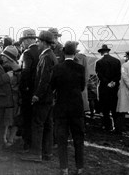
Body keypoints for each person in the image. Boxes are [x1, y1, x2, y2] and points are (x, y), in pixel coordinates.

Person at [20, 30, 57, 163]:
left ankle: (35, 153)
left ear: (44, 42)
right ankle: (47, 153)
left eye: (39, 41)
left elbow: (44, 79)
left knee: (37, 125)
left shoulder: (46, 57)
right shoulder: (51, 55)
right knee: (47, 125)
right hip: (48, 98)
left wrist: (36, 95)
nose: (38, 43)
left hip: (42, 98)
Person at [51, 41, 86, 175]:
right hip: (77, 108)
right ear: (74, 53)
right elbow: (82, 87)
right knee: (78, 138)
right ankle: (79, 167)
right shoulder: (80, 68)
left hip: (61, 108)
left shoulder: (57, 68)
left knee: (62, 139)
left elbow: (52, 86)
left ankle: (64, 168)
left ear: (63, 52)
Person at [19, 28, 39, 150]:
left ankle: (27, 143)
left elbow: (25, 72)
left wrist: (23, 88)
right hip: (39, 91)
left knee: (27, 118)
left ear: (28, 40)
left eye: (23, 40)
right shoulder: (42, 51)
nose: (22, 43)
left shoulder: (27, 53)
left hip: (28, 91)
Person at [95, 44, 121, 133]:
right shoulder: (117, 61)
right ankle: (117, 127)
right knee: (114, 108)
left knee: (105, 108)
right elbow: (118, 75)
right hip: (114, 88)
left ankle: (107, 126)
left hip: (104, 88)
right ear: (108, 51)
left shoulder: (99, 62)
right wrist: (113, 82)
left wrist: (107, 83)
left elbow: (99, 75)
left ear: (101, 52)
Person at [0, 45, 21, 146]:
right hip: (13, 98)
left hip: (13, 98)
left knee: (12, 119)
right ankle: (6, 139)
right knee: (10, 118)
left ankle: (9, 139)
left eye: (4, 56)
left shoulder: (17, 70)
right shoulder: (18, 68)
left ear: (9, 58)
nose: (2, 58)